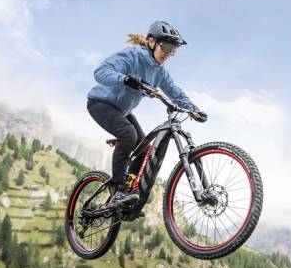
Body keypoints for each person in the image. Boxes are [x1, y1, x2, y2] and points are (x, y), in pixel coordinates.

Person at [87, 20, 207, 209]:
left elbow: (175, 92)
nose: (168, 54)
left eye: (172, 51)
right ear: (151, 42)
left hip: (122, 111)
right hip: (100, 103)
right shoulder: (132, 55)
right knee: (128, 134)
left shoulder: (160, 73)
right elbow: (100, 72)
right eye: (166, 47)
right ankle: (118, 190)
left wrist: (194, 110)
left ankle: (128, 192)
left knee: (143, 148)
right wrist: (125, 79)